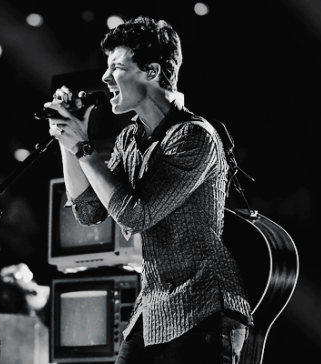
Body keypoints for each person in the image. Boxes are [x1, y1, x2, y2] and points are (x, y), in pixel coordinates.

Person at [44, 16, 253, 364]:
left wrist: (83, 148)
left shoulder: (194, 137)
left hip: (204, 308)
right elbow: (89, 211)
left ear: (152, 71)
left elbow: (136, 214)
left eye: (117, 67)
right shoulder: (130, 137)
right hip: (154, 308)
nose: (105, 78)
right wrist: (69, 140)